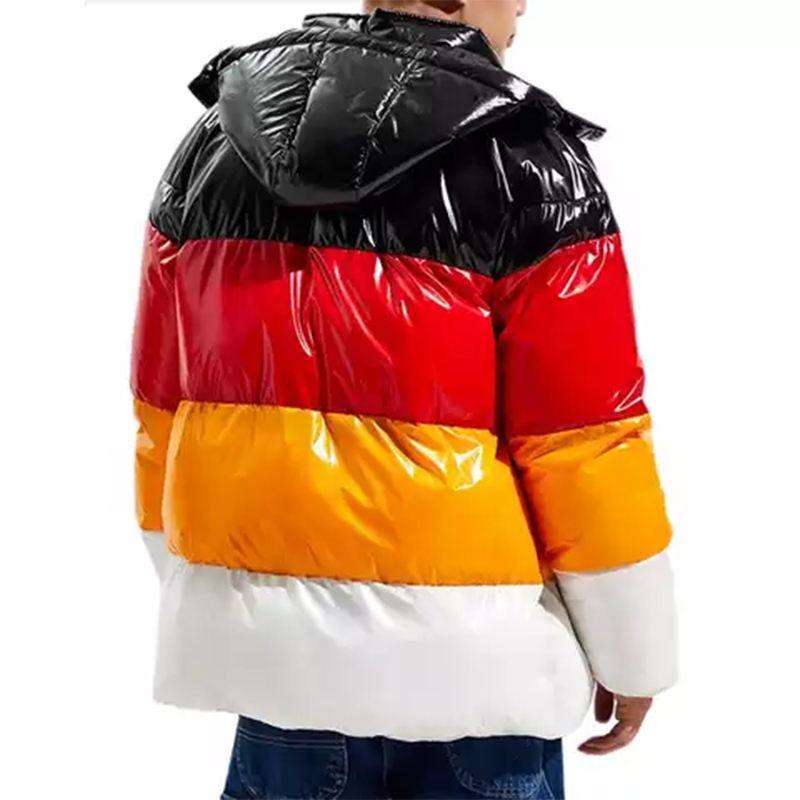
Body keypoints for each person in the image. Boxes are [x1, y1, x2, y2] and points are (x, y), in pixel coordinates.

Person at [129, 1, 678, 797]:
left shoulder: (214, 143)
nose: (525, 5)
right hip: (476, 680)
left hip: (281, 678)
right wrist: (633, 654)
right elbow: (585, 440)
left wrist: (232, 599)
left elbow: (161, 406)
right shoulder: (526, 159)